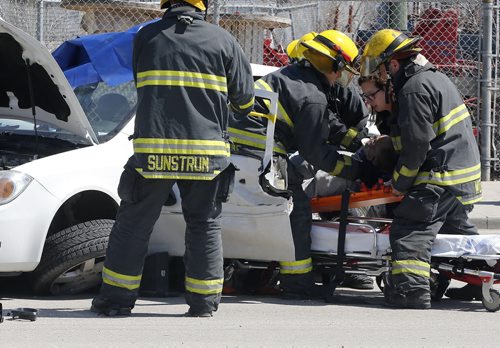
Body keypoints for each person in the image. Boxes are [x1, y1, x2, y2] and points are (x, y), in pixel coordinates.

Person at [91, 0, 254, 317]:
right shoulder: (224, 41)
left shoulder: (146, 37)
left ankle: (115, 301)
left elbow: (143, 86)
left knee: (134, 225)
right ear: (203, 6)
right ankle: (203, 303)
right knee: (204, 225)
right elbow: (245, 102)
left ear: (167, 4)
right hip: (206, 157)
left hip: (154, 152)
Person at [229, 29, 365, 299]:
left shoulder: (290, 76)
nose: (341, 77)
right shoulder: (313, 95)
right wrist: (355, 169)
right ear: (333, 65)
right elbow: (315, 153)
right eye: (342, 70)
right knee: (295, 210)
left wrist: (355, 142)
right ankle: (297, 283)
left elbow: (323, 125)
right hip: (264, 155)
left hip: (234, 153)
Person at [360, 29, 481, 309]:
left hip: (439, 176)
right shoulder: (433, 78)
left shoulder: (414, 88)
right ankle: (482, 279)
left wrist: (400, 184)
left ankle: (410, 292)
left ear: (392, 64)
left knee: (409, 230)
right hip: (456, 174)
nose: (380, 76)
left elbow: (416, 146)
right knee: (457, 234)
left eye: (378, 68)